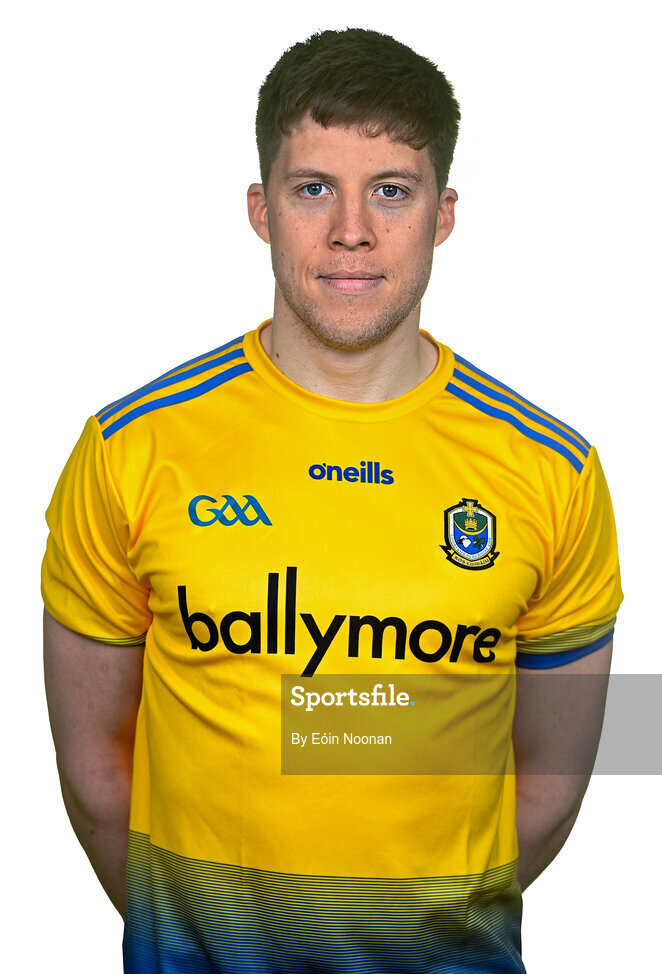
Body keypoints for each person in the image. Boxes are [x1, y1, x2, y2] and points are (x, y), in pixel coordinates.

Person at [42, 27, 622, 974]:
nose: (352, 229)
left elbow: (552, 782)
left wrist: (419, 930)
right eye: (313, 188)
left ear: (443, 214)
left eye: (391, 189)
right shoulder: (131, 449)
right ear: (260, 210)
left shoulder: (554, 473)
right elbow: (96, 773)